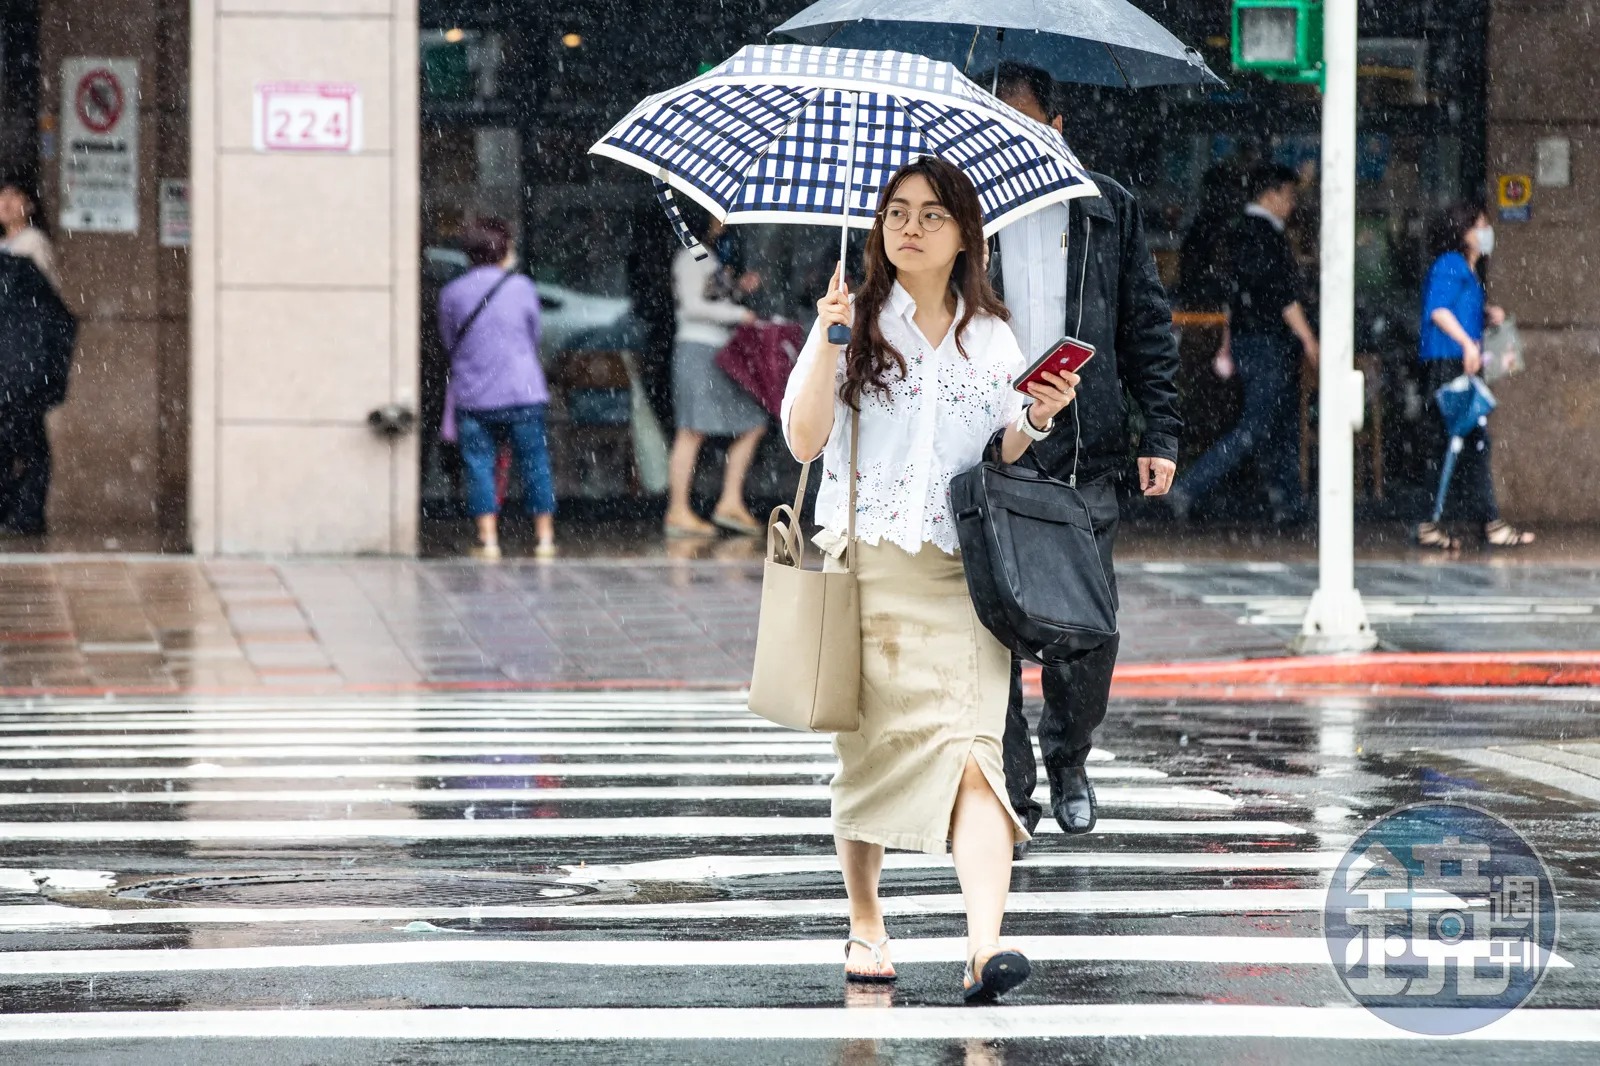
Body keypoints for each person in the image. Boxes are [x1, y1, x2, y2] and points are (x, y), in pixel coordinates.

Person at [783, 157, 1076, 1002]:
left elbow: (1000, 449)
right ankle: (867, 919)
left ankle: (985, 947)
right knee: (867, 758)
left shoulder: (991, 335)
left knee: (977, 758)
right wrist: (828, 341)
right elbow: (803, 442)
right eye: (897, 212)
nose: (910, 228)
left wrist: (1036, 414)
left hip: (962, 577)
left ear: (963, 236)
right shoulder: (852, 319)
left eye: (931, 215)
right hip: (868, 574)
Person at [989, 66, 1182, 849]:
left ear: (1057, 125)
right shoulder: (956, 217)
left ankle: (1069, 758)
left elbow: (1146, 325)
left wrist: (1158, 432)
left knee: (1089, 628)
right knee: (991, 625)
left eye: (1024, 123)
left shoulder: (1106, 207)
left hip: (1084, 447)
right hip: (991, 444)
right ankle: (1013, 788)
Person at [1169, 162, 1318, 525]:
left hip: (1255, 341)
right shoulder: (1263, 234)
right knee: (1258, 425)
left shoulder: (1241, 232)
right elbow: (1282, 296)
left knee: (1277, 425)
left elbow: (1237, 297)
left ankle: (1289, 503)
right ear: (1270, 194)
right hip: (1265, 343)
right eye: (1288, 195)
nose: (1292, 203)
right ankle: (1189, 487)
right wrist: (1309, 339)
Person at [1411, 203, 1533, 550]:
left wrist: (1485, 317)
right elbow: (1438, 311)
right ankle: (1485, 523)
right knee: (1468, 443)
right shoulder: (1450, 265)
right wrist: (1466, 343)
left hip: (1457, 363)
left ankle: (1433, 522)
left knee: (1457, 445)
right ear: (1463, 231)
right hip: (1448, 365)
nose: (1486, 232)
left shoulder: (1468, 271)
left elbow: (1456, 311)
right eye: (1479, 225)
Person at [437, 217, 556, 561]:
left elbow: (449, 341)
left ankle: (488, 540)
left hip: (474, 393)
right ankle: (544, 538)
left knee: (479, 465)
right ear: (504, 250)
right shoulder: (522, 288)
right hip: (522, 390)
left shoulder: (451, 293)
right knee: (534, 462)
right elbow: (534, 334)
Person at [665, 216, 768, 539]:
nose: (722, 221)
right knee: (692, 430)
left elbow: (709, 298)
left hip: (716, 352)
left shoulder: (707, 256)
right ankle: (679, 510)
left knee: (752, 420)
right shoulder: (691, 255)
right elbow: (692, 304)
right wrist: (740, 313)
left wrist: (738, 288)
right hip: (698, 350)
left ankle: (729, 501)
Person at [0, 177, 63, 536]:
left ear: (29, 204)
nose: (5, 202)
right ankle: (18, 511)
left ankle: (27, 513)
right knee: (18, 435)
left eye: (14, 196)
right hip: (10, 358)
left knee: (27, 436)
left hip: (23, 357)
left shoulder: (33, 244)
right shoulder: (7, 245)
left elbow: (41, 300)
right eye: (2, 195)